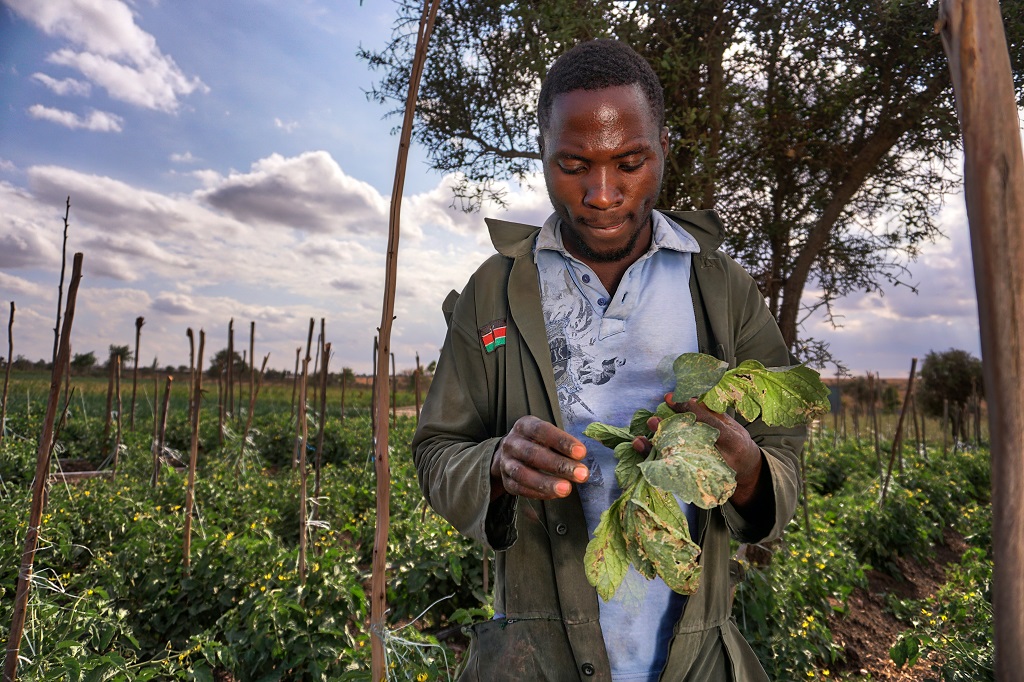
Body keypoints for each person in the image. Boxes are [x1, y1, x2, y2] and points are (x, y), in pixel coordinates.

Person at [412, 38, 804, 682]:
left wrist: (749, 467)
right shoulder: (495, 290)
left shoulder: (721, 286)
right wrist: (496, 465)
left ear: (663, 148)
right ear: (542, 155)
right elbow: (436, 452)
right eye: (573, 164)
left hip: (696, 660)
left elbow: (783, 455)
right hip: (535, 661)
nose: (602, 193)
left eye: (629, 163)